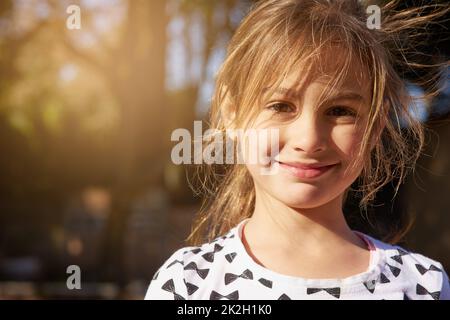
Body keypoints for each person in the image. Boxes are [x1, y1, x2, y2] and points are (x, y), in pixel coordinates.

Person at [146, 0, 450, 300]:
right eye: (280, 106)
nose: (309, 139)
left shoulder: (423, 285)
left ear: (375, 124)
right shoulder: (188, 285)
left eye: (340, 110)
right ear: (231, 113)